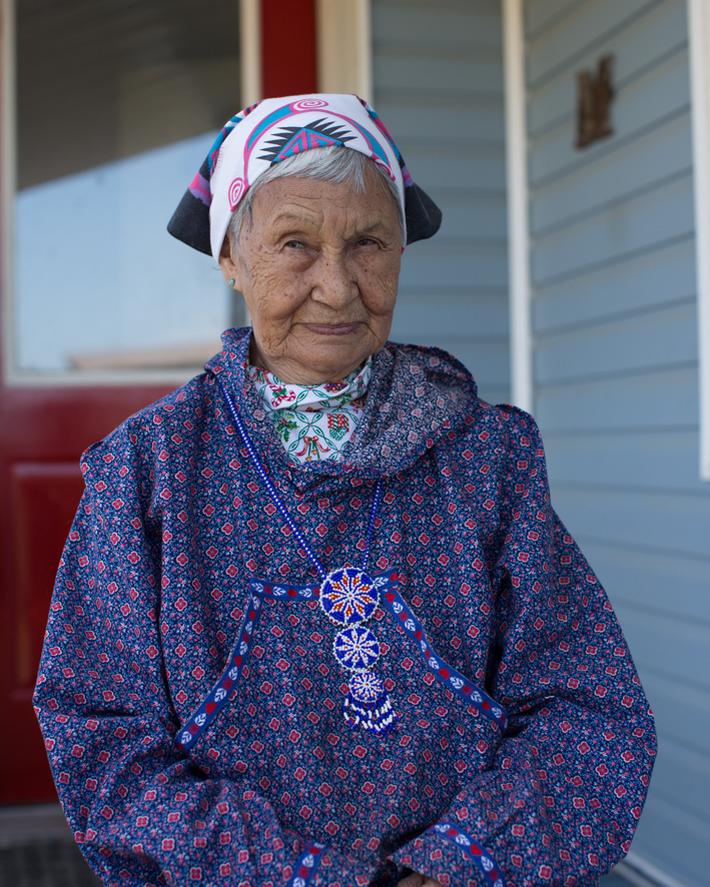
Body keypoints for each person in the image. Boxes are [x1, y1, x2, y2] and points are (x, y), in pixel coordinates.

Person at [33, 93, 657, 887]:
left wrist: (457, 866)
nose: (336, 287)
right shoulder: (147, 472)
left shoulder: (485, 458)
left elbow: (586, 707)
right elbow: (102, 737)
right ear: (229, 255)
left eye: (368, 243)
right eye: (294, 243)